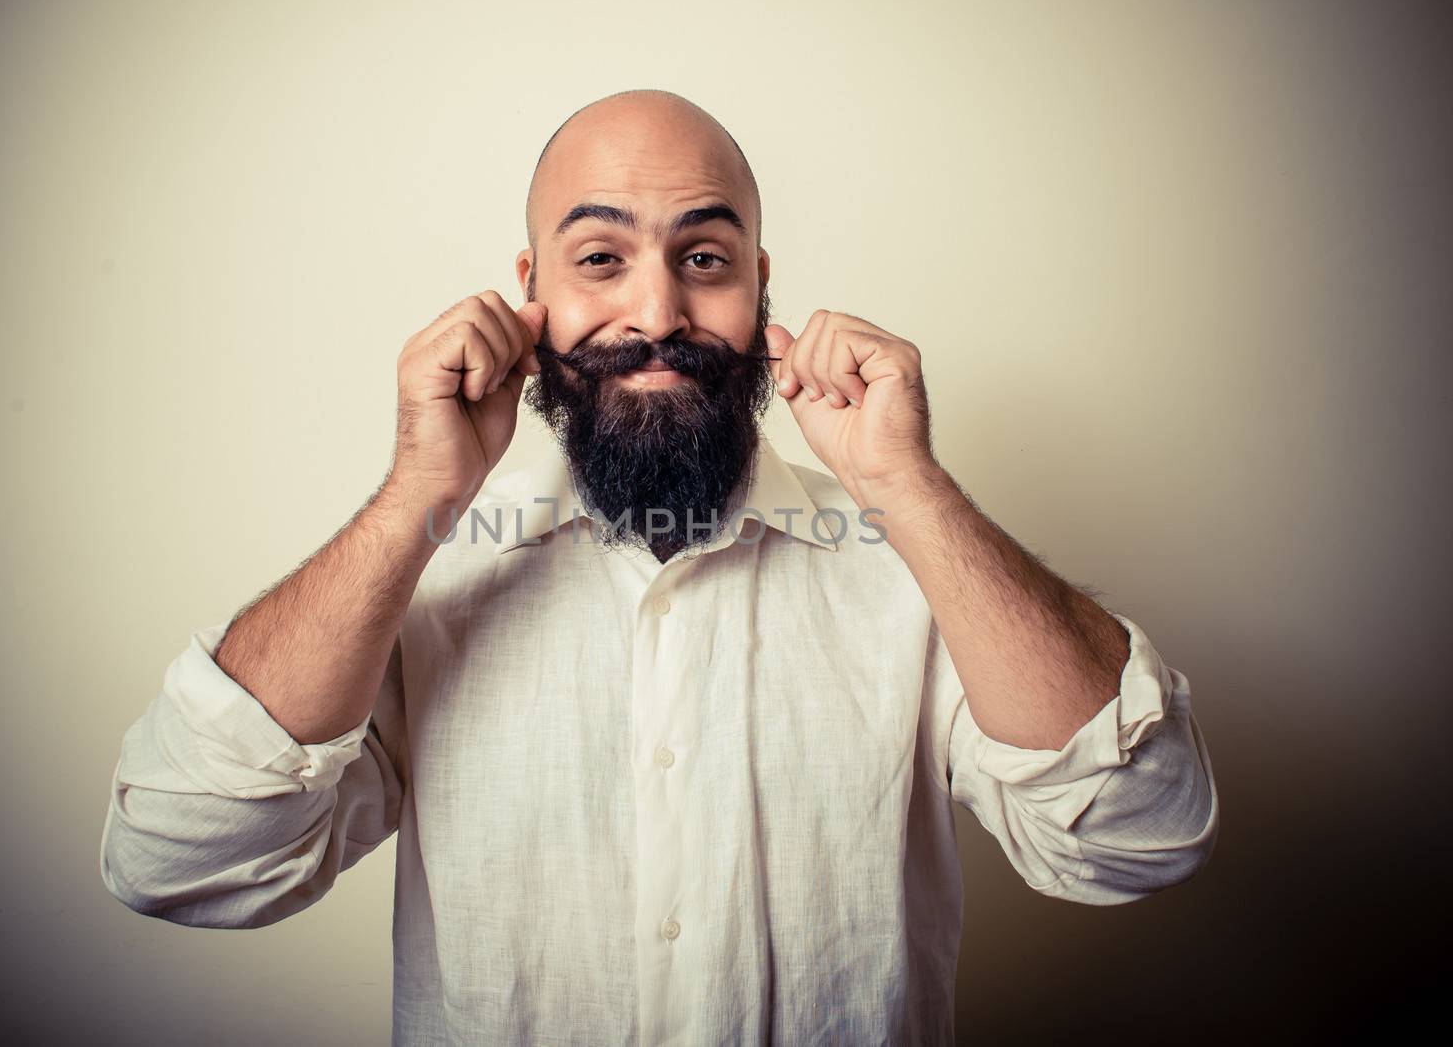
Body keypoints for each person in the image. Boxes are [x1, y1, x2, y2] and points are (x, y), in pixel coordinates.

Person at [99, 88, 1219, 1045]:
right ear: (527, 292)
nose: (655, 310)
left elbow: (1138, 835)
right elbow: (177, 858)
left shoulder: (907, 573)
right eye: (600, 259)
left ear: (760, 284)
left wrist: (908, 488)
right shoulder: (419, 587)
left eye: (703, 258)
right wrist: (415, 495)